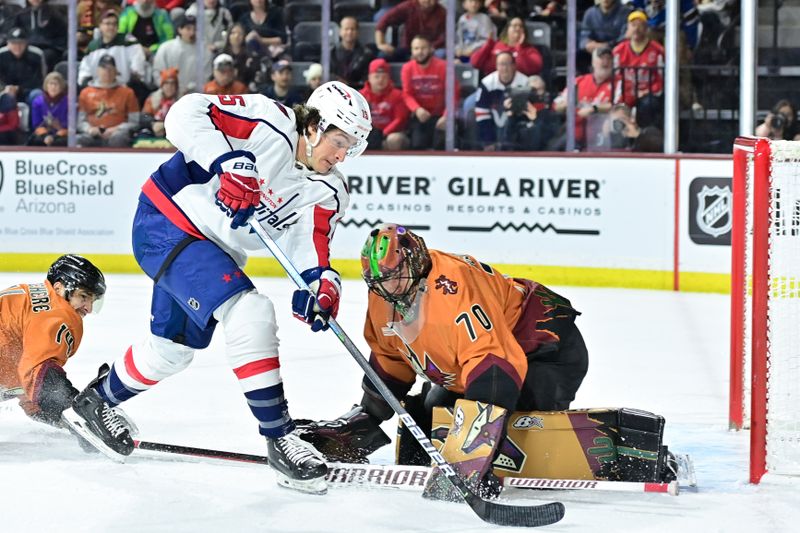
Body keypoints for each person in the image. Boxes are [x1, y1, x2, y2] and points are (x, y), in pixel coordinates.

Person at [65, 81, 373, 495]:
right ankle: (279, 438)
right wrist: (229, 162)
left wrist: (320, 285)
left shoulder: (328, 190)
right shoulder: (271, 121)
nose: (341, 155)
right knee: (250, 310)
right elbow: (183, 113)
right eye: (338, 141)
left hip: (213, 251)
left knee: (171, 350)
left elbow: (310, 248)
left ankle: (96, 403)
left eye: (351, 148)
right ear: (314, 126)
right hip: (168, 220)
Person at [296, 223, 588, 499]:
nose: (389, 290)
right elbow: (390, 357)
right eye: (380, 282)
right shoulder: (385, 292)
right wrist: (367, 418)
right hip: (472, 364)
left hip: (545, 347)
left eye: (396, 278)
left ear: (415, 263)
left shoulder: (454, 285)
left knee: (517, 425)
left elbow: (493, 363)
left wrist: (471, 455)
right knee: (431, 414)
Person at [0, 255, 107, 434]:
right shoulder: (55, 313)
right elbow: (40, 375)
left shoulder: (31, 302)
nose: (88, 307)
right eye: (83, 296)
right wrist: (79, 414)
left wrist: (67, 421)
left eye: (92, 300)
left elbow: (31, 389)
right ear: (59, 288)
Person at [401, 35, 458, 150]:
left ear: (431, 49)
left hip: (441, 115)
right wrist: (417, 109)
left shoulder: (443, 66)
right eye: (416, 48)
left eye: (423, 48)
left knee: (441, 145)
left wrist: (446, 115)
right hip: (420, 115)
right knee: (417, 146)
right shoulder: (407, 68)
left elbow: (453, 93)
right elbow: (407, 94)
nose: (420, 52)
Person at [79, 9, 148, 104]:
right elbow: (84, 74)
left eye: (114, 24)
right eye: (107, 24)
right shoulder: (93, 47)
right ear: (100, 26)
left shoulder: (128, 42)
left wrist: (123, 89)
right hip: (98, 93)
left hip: (124, 90)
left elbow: (138, 68)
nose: (111, 27)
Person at [552, 46, 615, 149]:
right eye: (601, 58)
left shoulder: (619, 82)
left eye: (609, 58)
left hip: (603, 134)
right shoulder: (578, 81)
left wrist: (594, 109)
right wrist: (568, 104)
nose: (605, 62)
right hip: (573, 134)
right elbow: (556, 105)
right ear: (593, 62)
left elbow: (620, 107)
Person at [612, 10, 664, 127]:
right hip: (625, 93)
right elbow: (616, 78)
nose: (636, 29)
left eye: (640, 25)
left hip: (648, 95)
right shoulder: (618, 51)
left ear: (646, 28)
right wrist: (627, 94)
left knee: (649, 105)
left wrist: (646, 92)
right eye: (633, 25)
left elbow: (661, 79)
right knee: (619, 111)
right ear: (628, 28)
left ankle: (644, 137)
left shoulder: (657, 50)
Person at [77, 54, 140, 148]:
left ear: (116, 71)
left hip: (117, 133)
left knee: (119, 138)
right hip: (92, 133)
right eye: (103, 68)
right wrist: (89, 129)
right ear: (97, 71)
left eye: (110, 69)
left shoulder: (127, 92)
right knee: (78, 139)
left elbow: (134, 121)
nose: (107, 72)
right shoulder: (86, 93)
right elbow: (80, 121)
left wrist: (117, 129)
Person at [474, 51, 529, 151]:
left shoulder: (524, 83)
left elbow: (526, 114)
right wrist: (488, 142)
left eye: (508, 64)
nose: (504, 68)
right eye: (501, 64)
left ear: (514, 66)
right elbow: (482, 114)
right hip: (493, 124)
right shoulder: (487, 83)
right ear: (496, 66)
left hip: (516, 127)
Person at [360, 58, 409, 151]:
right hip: (366, 135)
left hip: (388, 135)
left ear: (389, 78)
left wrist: (382, 133)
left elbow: (400, 119)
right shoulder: (360, 96)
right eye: (377, 76)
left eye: (384, 76)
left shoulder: (398, 95)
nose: (380, 80)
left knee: (395, 139)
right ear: (369, 77)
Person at [470, 17, 543, 77]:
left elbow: (534, 69)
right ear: (507, 29)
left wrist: (519, 48)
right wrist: (488, 44)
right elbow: (475, 63)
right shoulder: (495, 45)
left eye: (521, 26)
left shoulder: (529, 49)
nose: (517, 28)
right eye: (514, 25)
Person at [375, 0, 447, 61]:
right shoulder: (409, 6)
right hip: (407, 49)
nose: (427, 0)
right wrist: (381, 43)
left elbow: (444, 38)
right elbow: (384, 20)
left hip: (430, 50)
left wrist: (425, 50)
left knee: (442, 54)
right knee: (383, 55)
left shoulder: (442, 13)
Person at [152, 14, 200, 96]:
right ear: (179, 29)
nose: (192, 33)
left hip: (196, 95)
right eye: (188, 29)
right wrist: (169, 90)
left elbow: (207, 76)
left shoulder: (204, 50)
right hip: (170, 95)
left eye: (195, 29)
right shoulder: (166, 48)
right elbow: (157, 72)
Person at [0, 26, 45, 105]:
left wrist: (19, 89)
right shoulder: (1, 55)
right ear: (8, 44)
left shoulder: (36, 55)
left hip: (29, 91)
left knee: (37, 95)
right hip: (6, 90)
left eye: (21, 43)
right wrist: (5, 88)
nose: (17, 47)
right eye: (13, 43)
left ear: (26, 43)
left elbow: (39, 80)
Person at [330, 16, 374, 88]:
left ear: (357, 32)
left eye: (352, 29)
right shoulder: (331, 53)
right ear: (340, 31)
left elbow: (367, 79)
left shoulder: (367, 54)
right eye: (346, 29)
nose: (349, 32)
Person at [28, 70, 67, 146]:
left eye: (56, 84)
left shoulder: (68, 102)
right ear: (46, 85)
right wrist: (45, 136)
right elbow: (37, 124)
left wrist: (57, 133)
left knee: (60, 142)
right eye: (51, 84)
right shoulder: (38, 102)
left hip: (62, 134)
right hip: (44, 134)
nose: (53, 87)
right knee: (35, 140)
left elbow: (69, 126)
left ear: (61, 86)